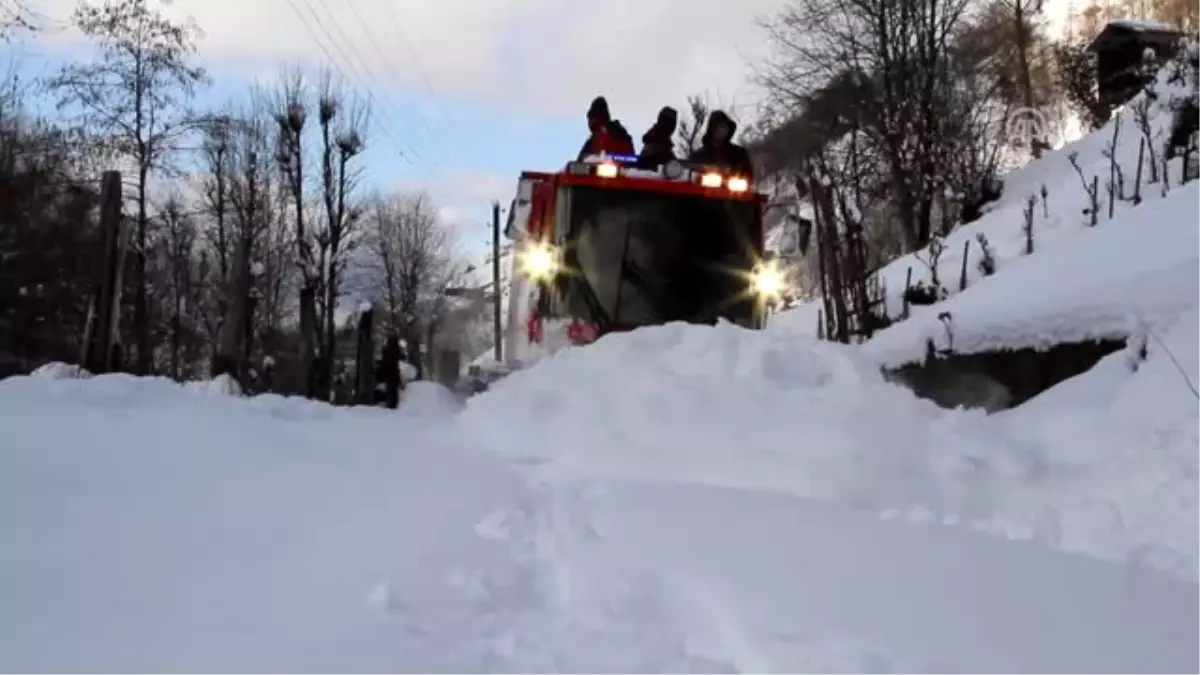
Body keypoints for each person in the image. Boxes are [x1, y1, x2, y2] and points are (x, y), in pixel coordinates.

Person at [688, 109, 754, 179]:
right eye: (716, 127)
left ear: (729, 129)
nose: (719, 130)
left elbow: (748, 175)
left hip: (732, 189)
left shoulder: (739, 153)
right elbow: (692, 178)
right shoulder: (697, 156)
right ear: (710, 129)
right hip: (704, 189)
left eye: (723, 127)